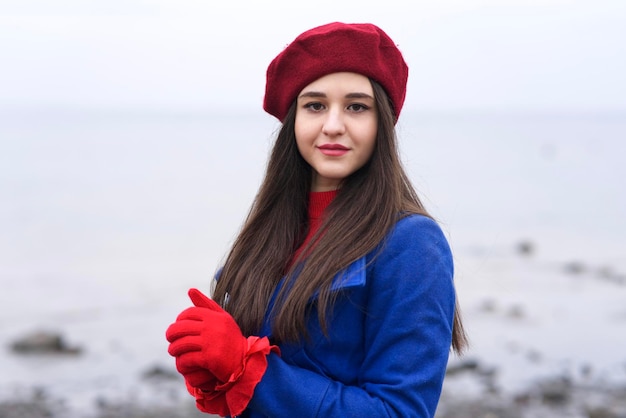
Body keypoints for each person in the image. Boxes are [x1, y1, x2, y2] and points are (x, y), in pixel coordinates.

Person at [166, 21, 468, 418]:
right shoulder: (267, 233)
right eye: (315, 105)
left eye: (357, 107)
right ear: (293, 121)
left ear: (383, 124)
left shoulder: (411, 243)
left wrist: (248, 369)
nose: (333, 125)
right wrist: (210, 367)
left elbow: (400, 411)